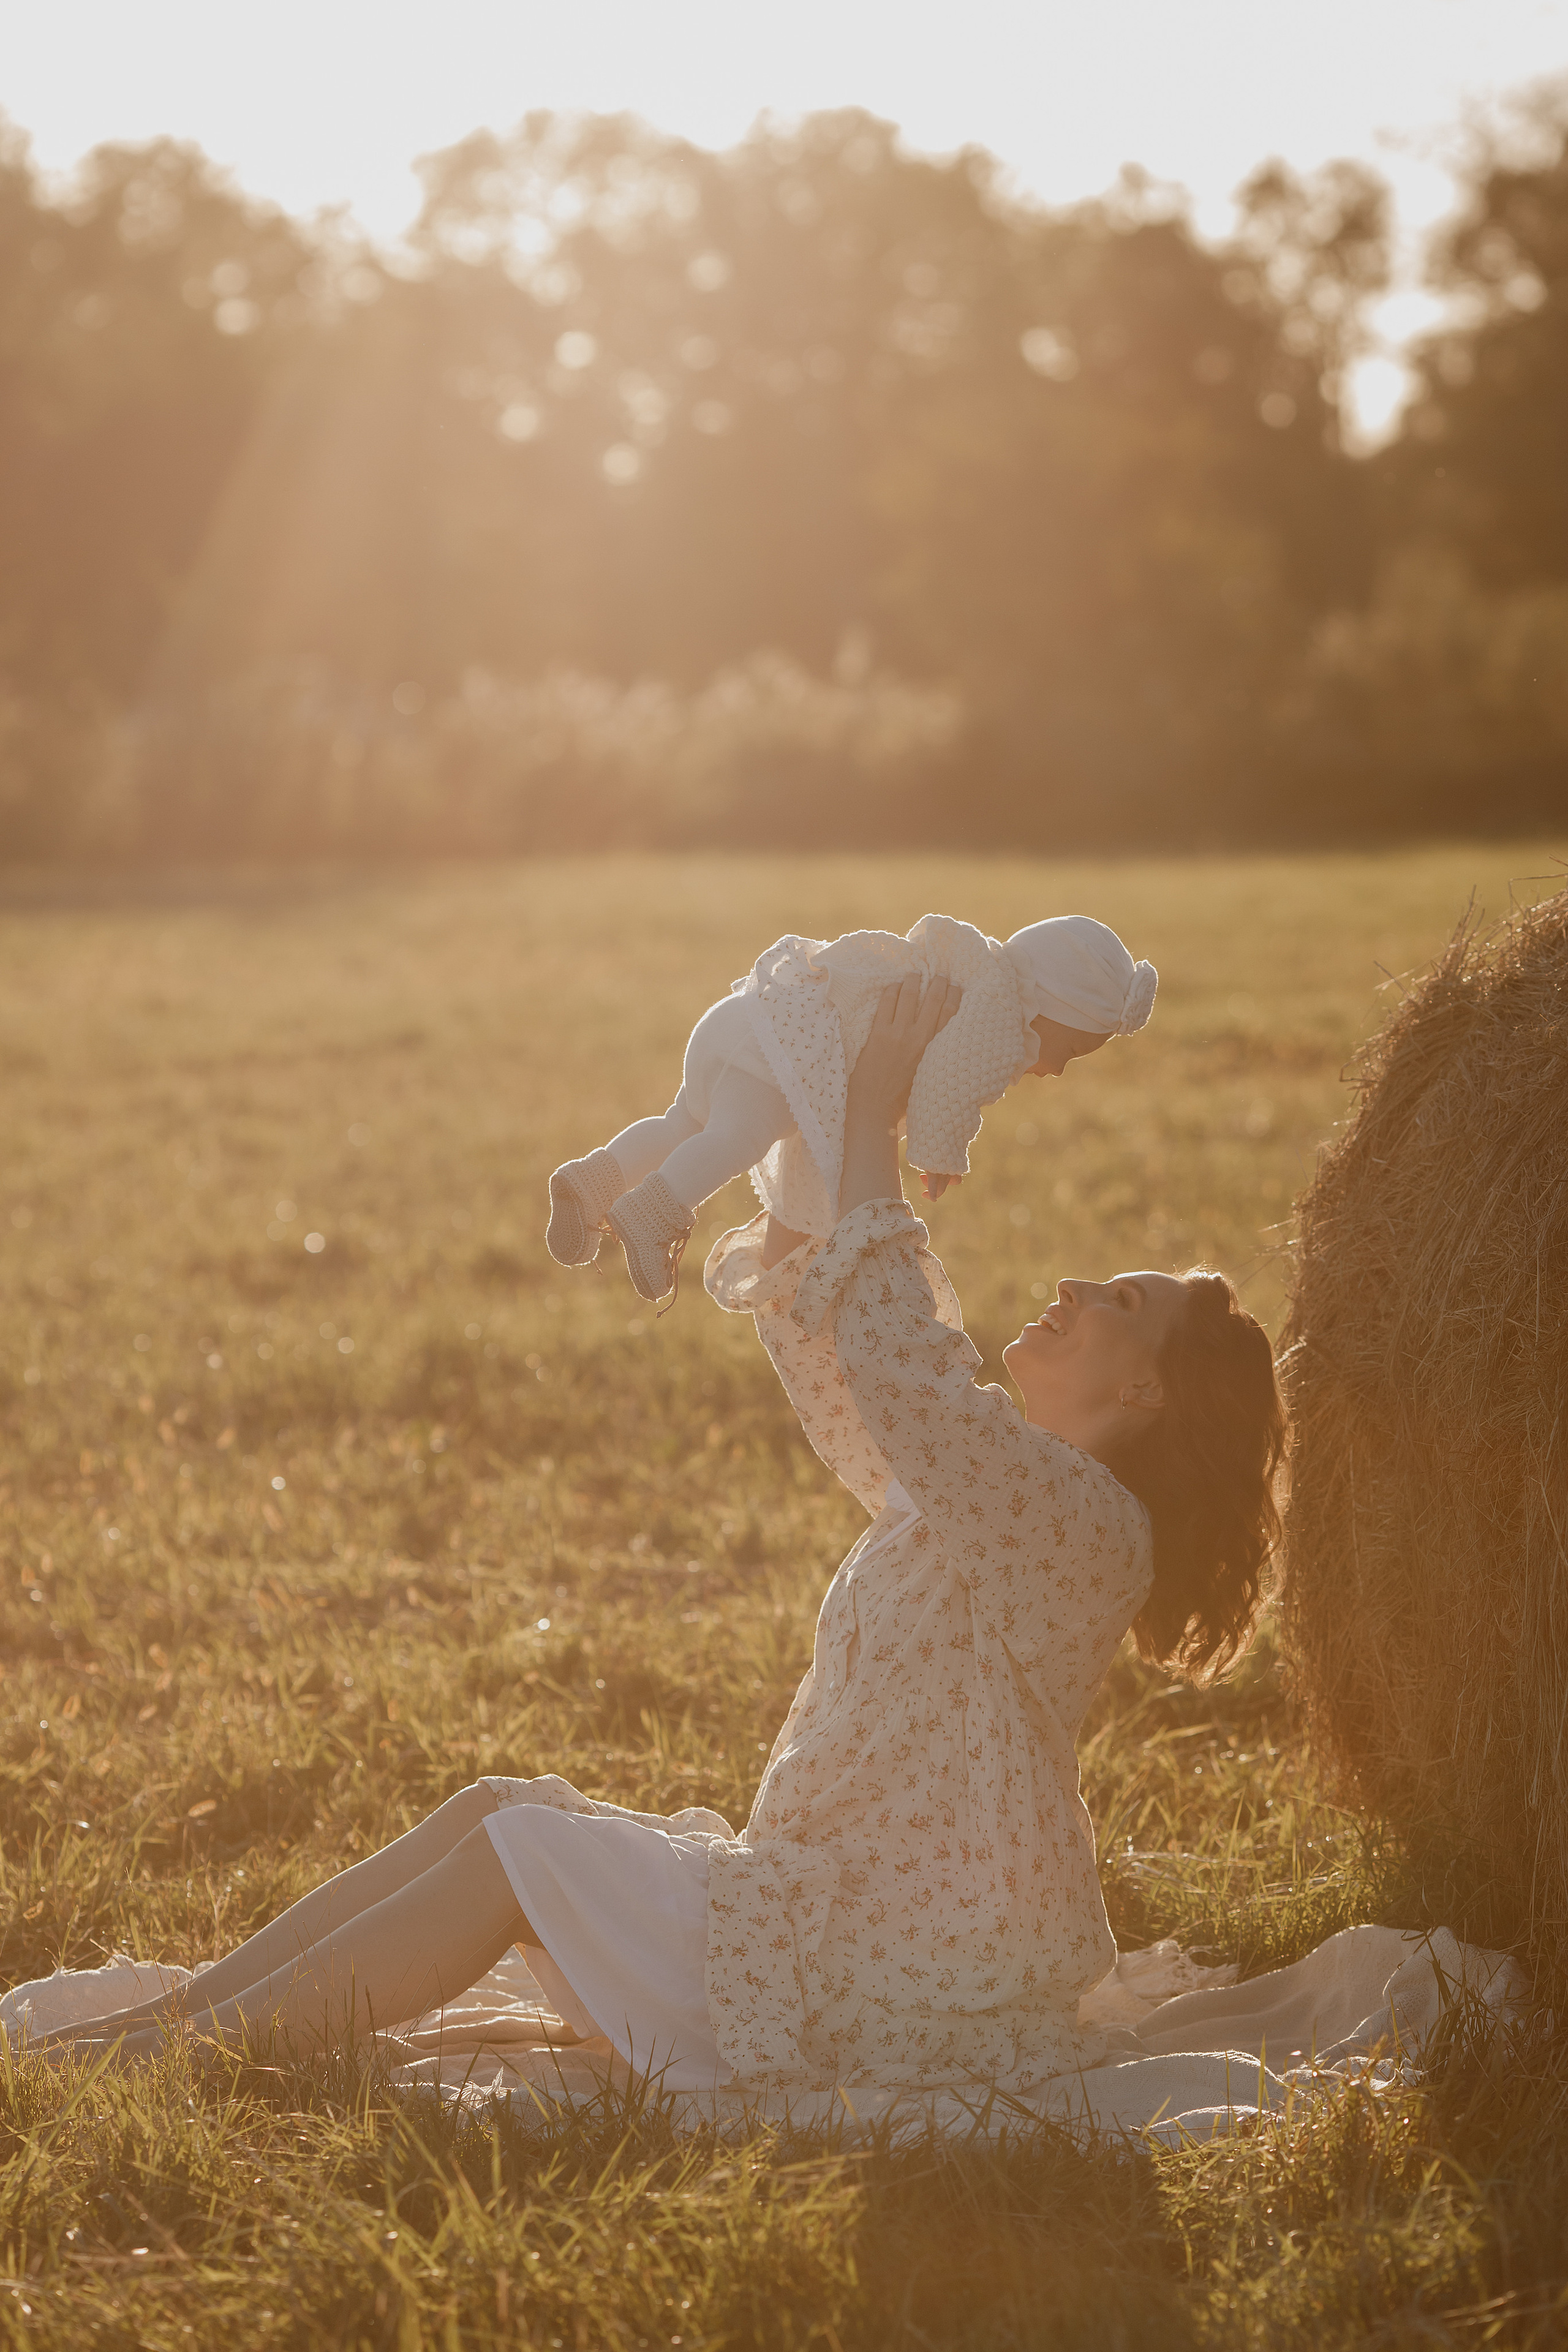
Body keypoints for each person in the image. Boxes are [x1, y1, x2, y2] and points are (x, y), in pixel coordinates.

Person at [41, 978, 1282, 2095]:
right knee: (500, 1806)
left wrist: (871, 1124)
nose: (1072, 1289)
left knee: (521, 1856)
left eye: (1120, 1301)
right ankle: (171, 2020)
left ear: (1147, 1392)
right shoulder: (971, 1497)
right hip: (824, 1909)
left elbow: (904, 1374)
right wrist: (813, 1130)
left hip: (897, 1967)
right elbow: (842, 1369)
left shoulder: (1086, 1530)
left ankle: (169, 2066)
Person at [546, 911, 1157, 1303]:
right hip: (784, 1055)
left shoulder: (970, 966)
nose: (1056, 1070)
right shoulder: (997, 1017)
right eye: (1069, 1051)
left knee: (682, 1122)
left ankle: (593, 1181)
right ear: (1051, 1005)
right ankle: (655, 1212)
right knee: (738, 1137)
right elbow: (947, 1083)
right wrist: (939, 1153)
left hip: (747, 1019)